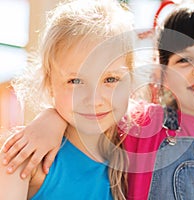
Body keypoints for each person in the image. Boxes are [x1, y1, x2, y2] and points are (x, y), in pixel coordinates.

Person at [1, 2, 194, 200]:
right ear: (162, 75)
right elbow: (93, 105)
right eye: (183, 60)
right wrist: (49, 119)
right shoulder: (147, 125)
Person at [0, 0, 135, 199]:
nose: (94, 99)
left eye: (110, 79)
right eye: (76, 81)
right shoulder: (26, 159)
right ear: (49, 82)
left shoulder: (140, 150)